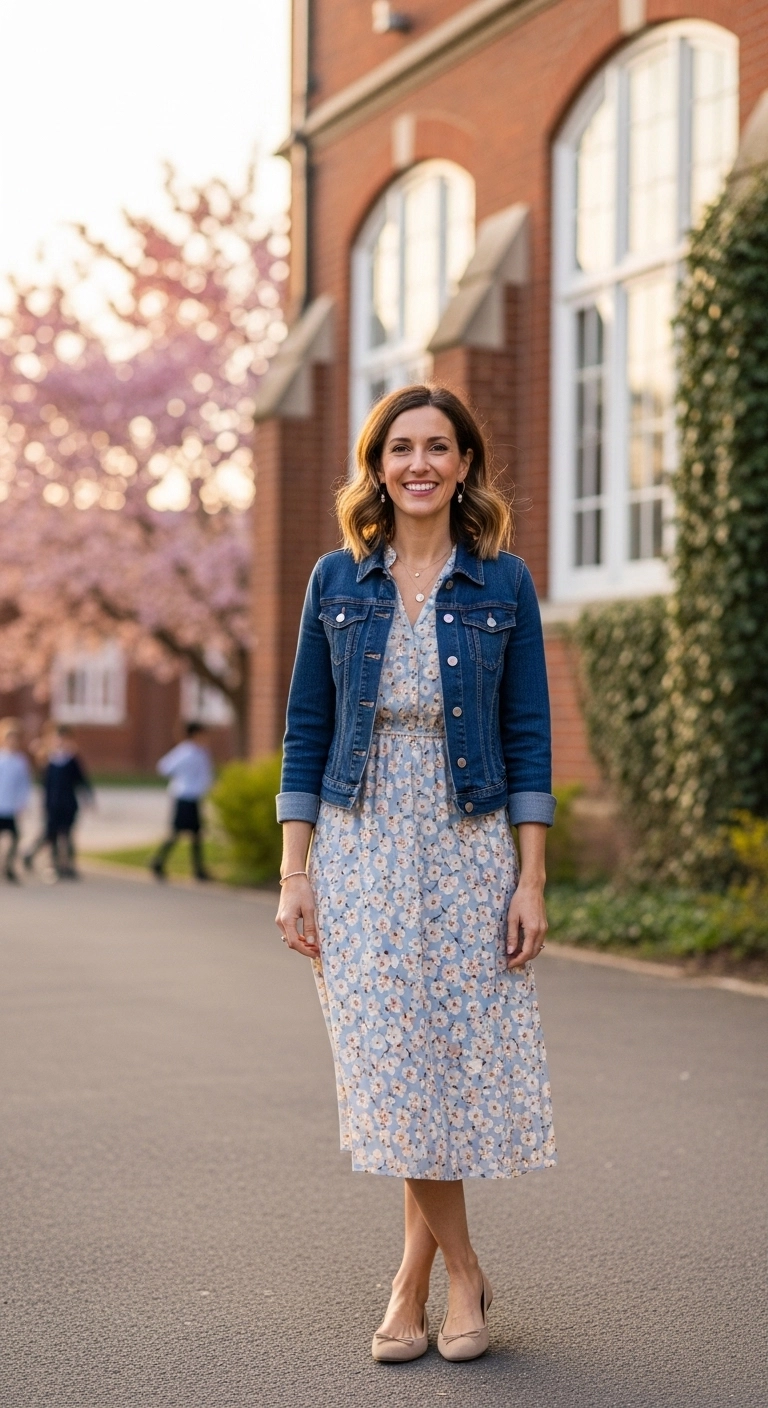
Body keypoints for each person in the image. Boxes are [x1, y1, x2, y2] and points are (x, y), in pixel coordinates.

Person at [276, 384, 557, 1364]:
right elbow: (306, 728)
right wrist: (293, 868)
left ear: (466, 463)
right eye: (402, 448)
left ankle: (413, 1282)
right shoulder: (334, 580)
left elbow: (528, 736)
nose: (421, 464)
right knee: (396, 1064)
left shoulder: (504, 584)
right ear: (378, 465)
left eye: (440, 447)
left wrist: (531, 879)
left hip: (468, 839)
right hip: (360, 844)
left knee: (445, 1063)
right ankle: (456, 1273)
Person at [24, 724, 93, 879]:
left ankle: (68, 866)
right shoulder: (48, 759)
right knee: (52, 835)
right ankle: (53, 864)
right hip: (52, 803)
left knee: (67, 835)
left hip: (68, 803)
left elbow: (82, 780)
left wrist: (88, 798)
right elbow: (42, 782)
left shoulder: (72, 760)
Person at [151, 722, 213, 881]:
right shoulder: (185, 752)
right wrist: (183, 777)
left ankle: (198, 869)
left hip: (194, 797)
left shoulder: (201, 752)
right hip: (184, 795)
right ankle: (158, 861)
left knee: (196, 834)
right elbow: (164, 767)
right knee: (177, 832)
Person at [0, 719, 33, 883]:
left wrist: (22, 802)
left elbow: (24, 785)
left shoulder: (20, 761)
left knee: (14, 837)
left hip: (10, 807)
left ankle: (8, 867)